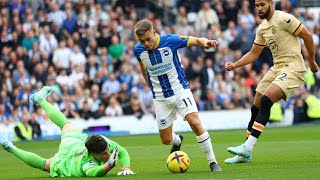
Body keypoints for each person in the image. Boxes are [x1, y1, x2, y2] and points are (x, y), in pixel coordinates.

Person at [224, 0, 319, 164]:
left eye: (262, 4)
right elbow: (254, 54)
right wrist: (235, 65)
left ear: (271, 3)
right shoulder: (262, 28)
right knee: (256, 105)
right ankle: (245, 153)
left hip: (293, 66)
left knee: (267, 100)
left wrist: (311, 61)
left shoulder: (284, 19)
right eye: (256, 6)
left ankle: (247, 148)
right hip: (277, 68)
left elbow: (307, 36)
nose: (259, 8)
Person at [133, 19, 222, 172]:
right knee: (166, 139)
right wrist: (150, 86)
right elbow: (142, 68)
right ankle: (178, 139)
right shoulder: (138, 50)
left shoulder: (170, 40)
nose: (146, 44)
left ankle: (212, 162)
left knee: (194, 123)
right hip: (160, 97)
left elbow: (193, 39)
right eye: (142, 41)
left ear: (154, 32)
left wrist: (205, 42)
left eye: (148, 39)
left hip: (180, 90)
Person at [0, 86, 135, 177]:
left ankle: (40, 99)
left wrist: (125, 167)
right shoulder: (86, 163)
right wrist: (109, 166)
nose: (108, 154)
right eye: (105, 153)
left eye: (107, 151)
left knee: (65, 123)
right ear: (93, 154)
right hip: (67, 158)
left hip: (76, 142)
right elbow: (94, 173)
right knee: (44, 164)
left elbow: (121, 151)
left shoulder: (102, 142)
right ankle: (11, 148)